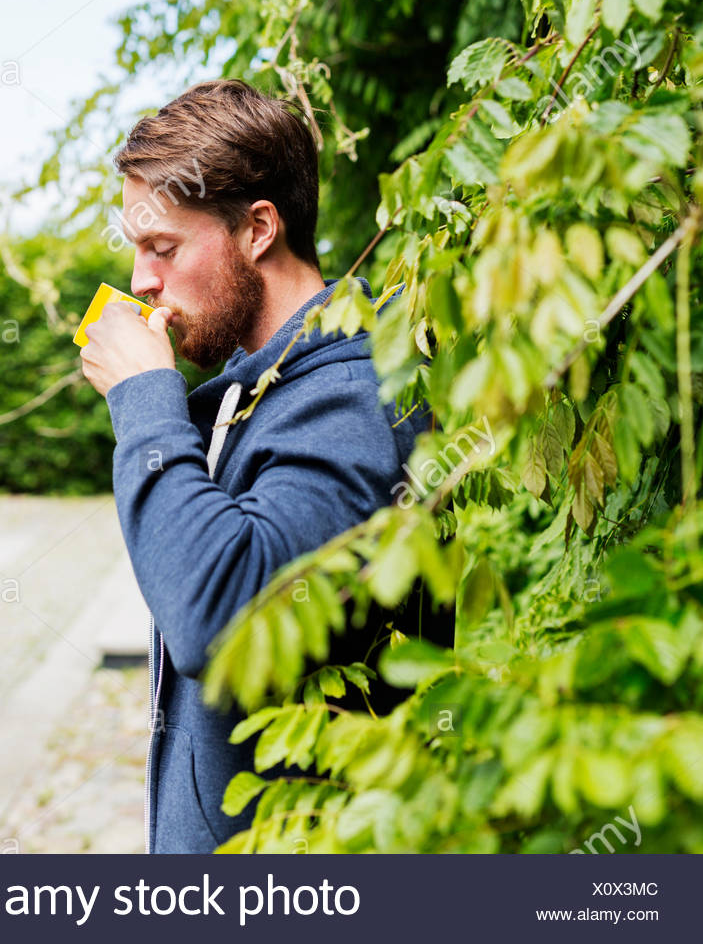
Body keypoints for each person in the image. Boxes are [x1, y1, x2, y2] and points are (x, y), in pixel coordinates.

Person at [79, 78, 447, 853]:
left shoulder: (352, 402)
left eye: (163, 248)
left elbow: (218, 617)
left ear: (257, 230)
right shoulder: (263, 392)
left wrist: (146, 398)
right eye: (136, 249)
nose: (141, 281)